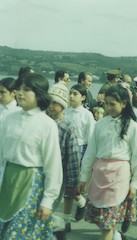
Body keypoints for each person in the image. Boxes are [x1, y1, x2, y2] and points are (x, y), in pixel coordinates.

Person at [78, 84, 137, 240]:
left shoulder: (132, 126)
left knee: (107, 222)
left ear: (124, 103)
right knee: (101, 219)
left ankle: (113, 234)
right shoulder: (100, 124)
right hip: (100, 175)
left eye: (113, 104)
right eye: (106, 103)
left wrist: (134, 183)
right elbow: (91, 152)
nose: (109, 107)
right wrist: (83, 177)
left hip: (119, 176)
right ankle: (116, 236)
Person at [0, 73, 62, 239]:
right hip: (7, 180)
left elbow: (53, 165)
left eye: (26, 90)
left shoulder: (47, 124)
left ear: (39, 94)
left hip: (31, 184)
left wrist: (48, 201)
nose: (20, 93)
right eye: (18, 89)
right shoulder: (9, 118)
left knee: (19, 234)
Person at [47, 83, 81, 235]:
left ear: (63, 105)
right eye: (49, 101)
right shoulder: (43, 121)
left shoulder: (68, 127)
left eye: (55, 103)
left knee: (50, 206)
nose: (51, 106)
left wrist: (73, 182)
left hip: (58, 175)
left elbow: (73, 157)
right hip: (40, 172)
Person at [64, 84, 95, 221]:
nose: (71, 96)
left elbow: (91, 139)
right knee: (65, 185)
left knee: (73, 186)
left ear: (82, 97)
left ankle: (81, 203)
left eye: (75, 94)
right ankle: (68, 218)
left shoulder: (87, 115)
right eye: (70, 93)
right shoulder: (66, 112)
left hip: (80, 150)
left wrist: (88, 161)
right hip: (65, 150)